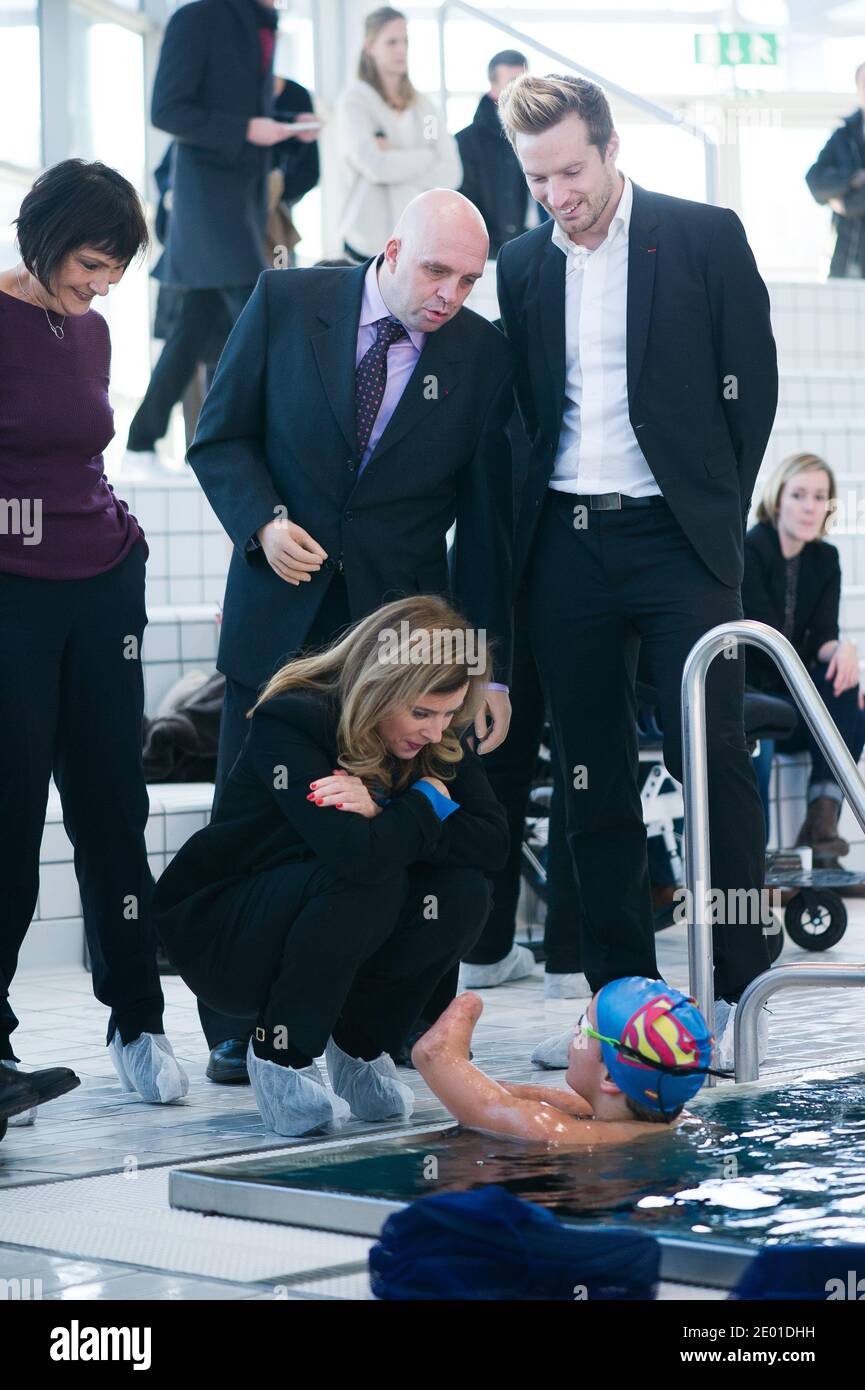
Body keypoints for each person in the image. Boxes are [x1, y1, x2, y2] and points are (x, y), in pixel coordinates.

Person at [186, 187, 515, 1082]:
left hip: (405, 647)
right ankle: (236, 1022)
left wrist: (487, 670)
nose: (450, 294)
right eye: (437, 271)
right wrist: (260, 524)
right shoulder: (288, 301)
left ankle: (395, 1021)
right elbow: (220, 440)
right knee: (253, 826)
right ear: (392, 248)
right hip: (280, 620)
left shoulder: (482, 355)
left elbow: (485, 527)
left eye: (468, 280)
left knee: (412, 822)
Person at [495, 74, 778, 1068]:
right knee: (590, 778)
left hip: (677, 542)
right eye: (537, 177)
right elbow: (525, 412)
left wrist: (711, 511)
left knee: (718, 764)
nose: (556, 192)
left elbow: (753, 392)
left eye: (569, 169)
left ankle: (742, 987)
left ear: (610, 147)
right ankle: (615, 1003)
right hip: (566, 546)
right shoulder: (522, 263)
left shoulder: (702, 235)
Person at [153, 595, 509, 1137]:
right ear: (378, 689)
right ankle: (282, 1056)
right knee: (367, 882)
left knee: (463, 892)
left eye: (446, 715)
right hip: (230, 931)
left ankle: (361, 1047)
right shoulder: (295, 719)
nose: (436, 733)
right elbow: (358, 858)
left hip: (330, 918)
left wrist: (385, 806)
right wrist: (423, 803)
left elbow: (491, 844)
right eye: (421, 714)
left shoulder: (437, 733)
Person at [0, 160, 187, 1107]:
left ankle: (139, 1020)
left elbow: (80, 453)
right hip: (11, 596)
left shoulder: (94, 330)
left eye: (116, 268)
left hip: (103, 583)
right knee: (7, 818)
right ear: (43, 236)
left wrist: (124, 543)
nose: (103, 283)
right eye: (91, 262)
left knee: (113, 807)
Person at [121, 0, 320, 474]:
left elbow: (244, 117)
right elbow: (168, 110)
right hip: (209, 203)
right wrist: (248, 129)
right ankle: (286, 449)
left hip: (245, 199)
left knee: (195, 327)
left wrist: (288, 132)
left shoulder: (261, 22)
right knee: (260, 319)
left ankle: (142, 443)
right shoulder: (197, 18)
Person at [744, 453, 865, 882]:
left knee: (849, 688)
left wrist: (846, 651)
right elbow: (762, 645)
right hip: (756, 695)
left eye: (820, 497)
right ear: (778, 499)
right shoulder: (751, 547)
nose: (810, 506)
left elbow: (824, 637)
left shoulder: (825, 559)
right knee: (831, 696)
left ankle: (821, 825)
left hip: (796, 702)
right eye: (799, 495)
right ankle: (752, 865)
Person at [412, 977, 714, 1144]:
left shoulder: (561, 1135)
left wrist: (465, 1009)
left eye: (584, 1026)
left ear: (609, 1078)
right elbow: (565, 1103)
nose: (574, 1033)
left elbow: (434, 1054)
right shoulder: (669, 1120)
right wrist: (503, 1088)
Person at [335, 6, 461, 262]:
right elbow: (375, 166)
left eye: (405, 41)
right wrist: (427, 156)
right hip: (366, 245)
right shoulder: (356, 100)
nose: (401, 49)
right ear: (370, 47)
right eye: (391, 42)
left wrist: (395, 154)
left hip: (416, 243)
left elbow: (450, 172)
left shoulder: (423, 106)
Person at [456, 50, 542, 257]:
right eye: (512, 82)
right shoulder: (466, 142)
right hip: (493, 257)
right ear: (493, 88)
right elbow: (465, 206)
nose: (521, 91)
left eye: (526, 82)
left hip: (538, 245)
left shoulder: (539, 134)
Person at [806, 62, 865, 280]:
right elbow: (815, 182)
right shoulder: (844, 135)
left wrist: (846, 203)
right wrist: (852, 179)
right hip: (847, 255)